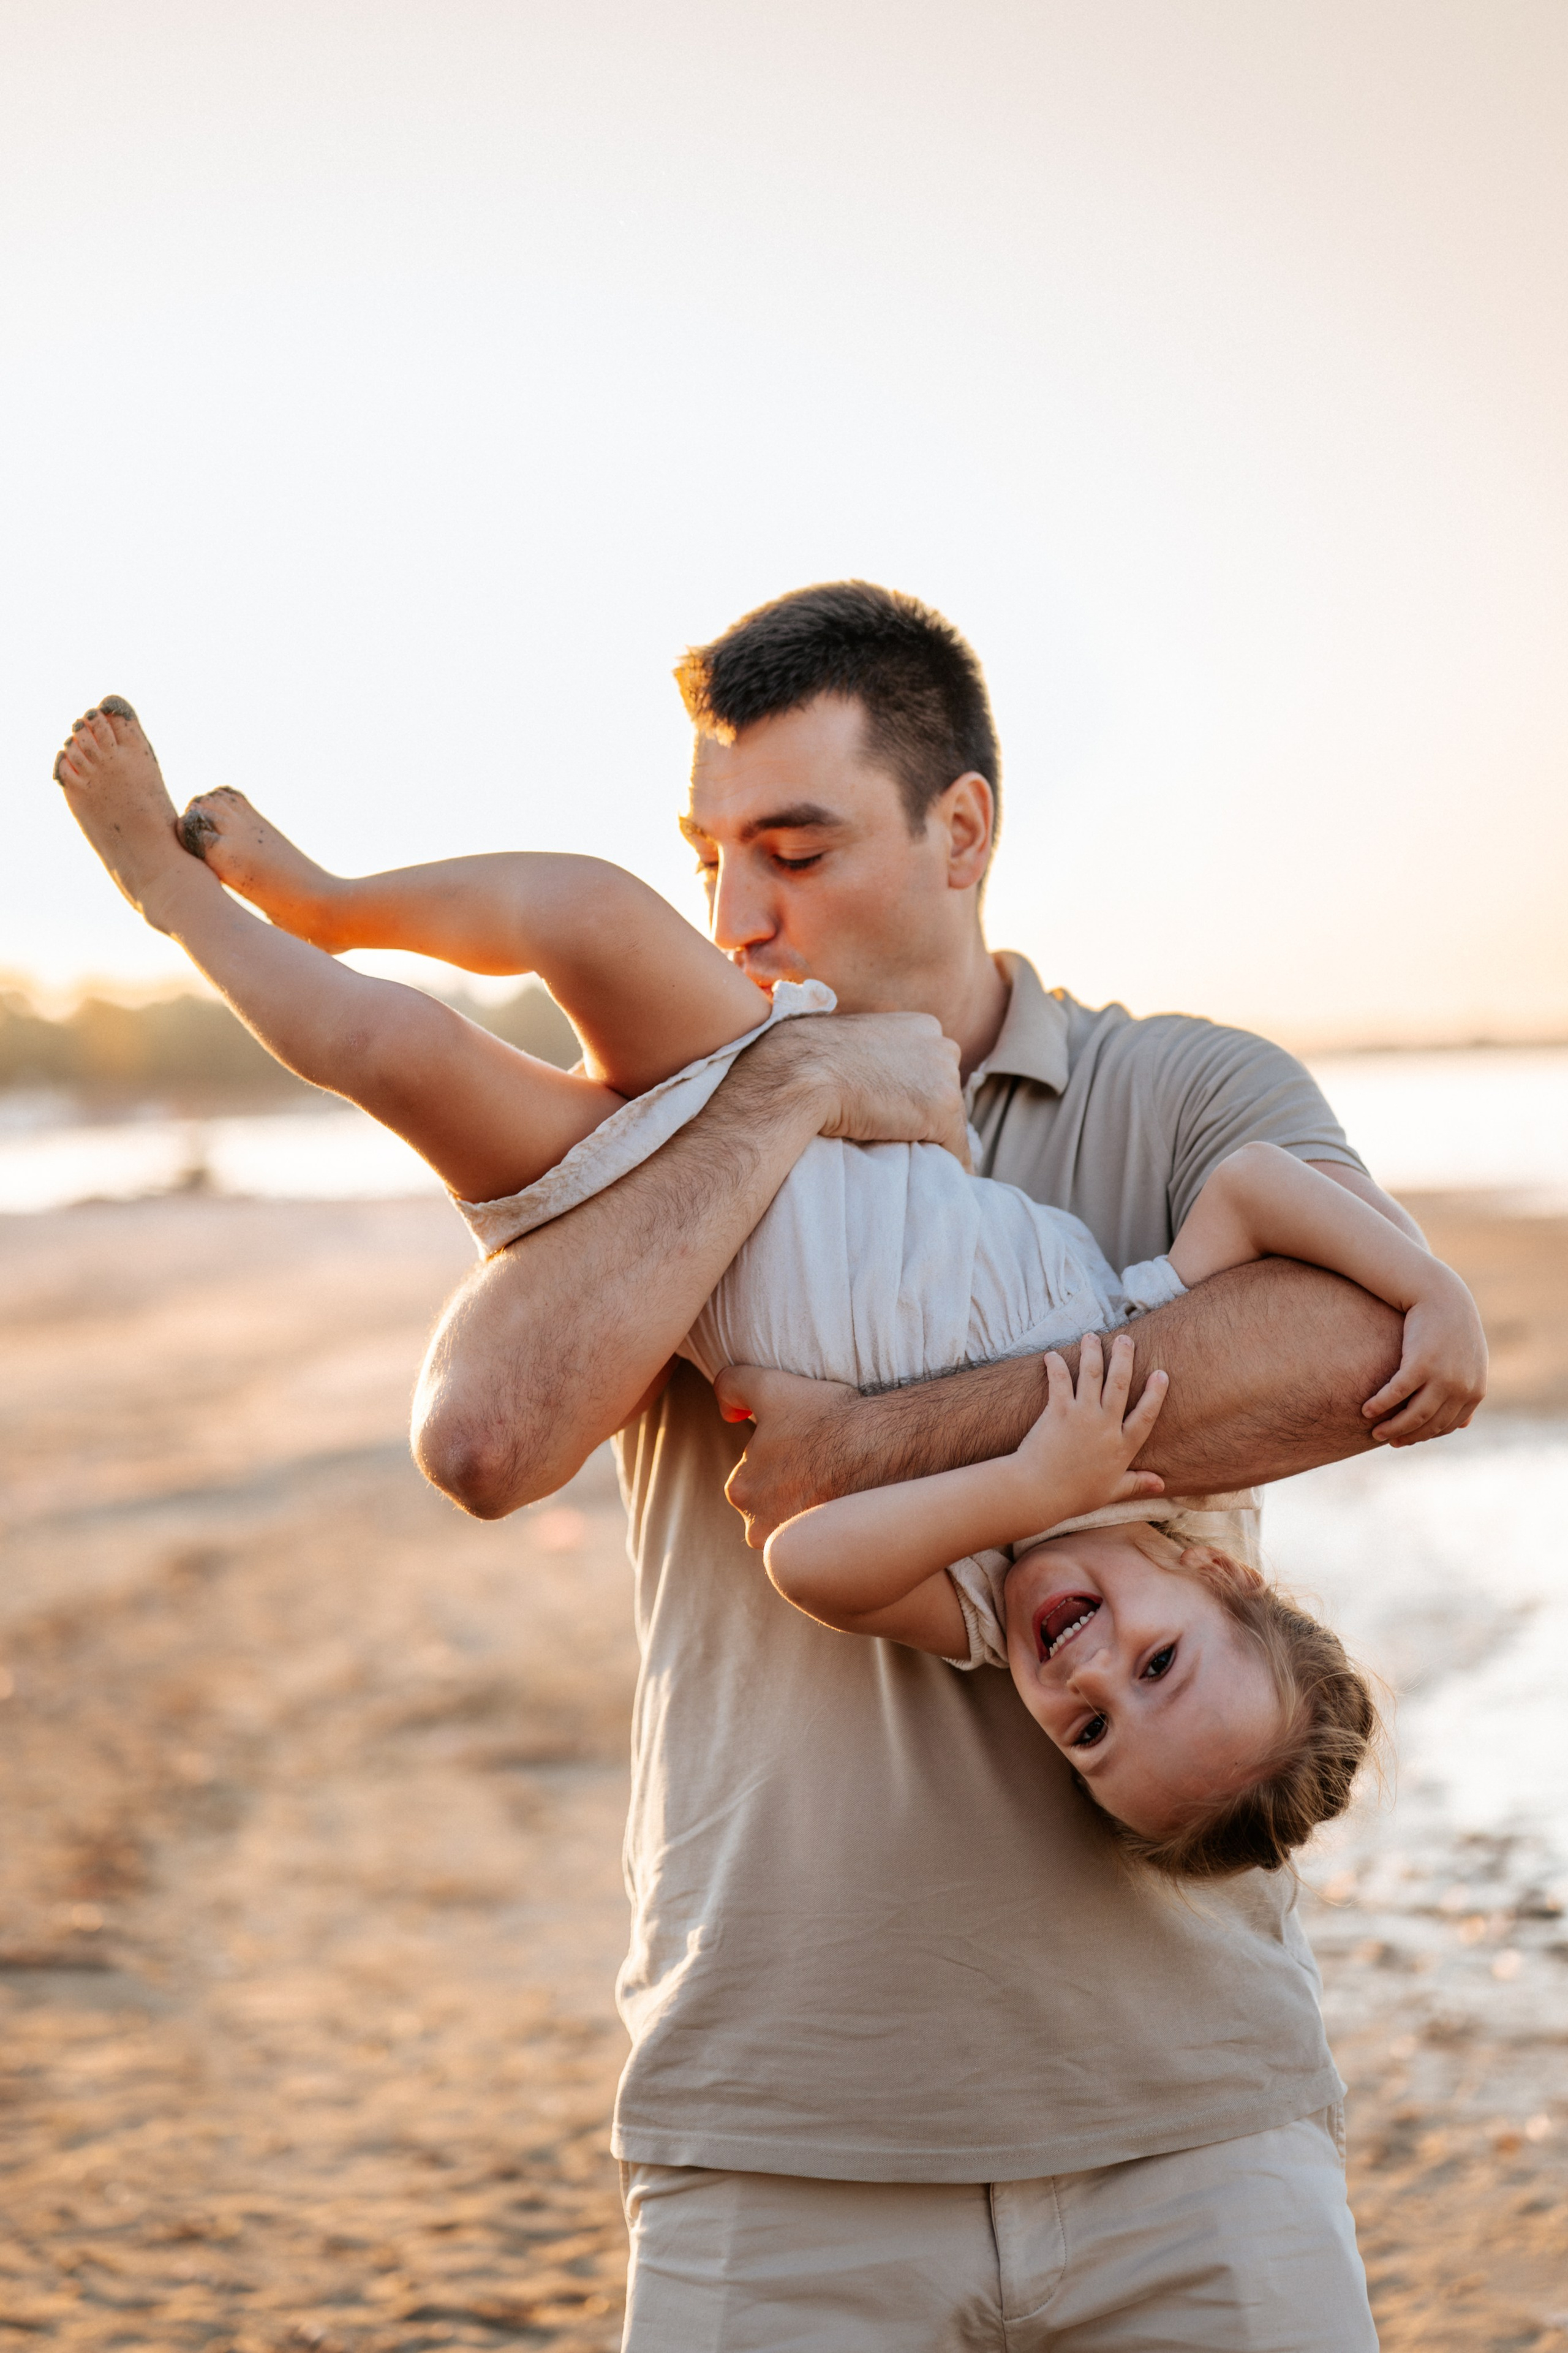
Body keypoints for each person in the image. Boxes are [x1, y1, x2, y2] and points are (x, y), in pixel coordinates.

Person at [50, 584, 1461, 2345]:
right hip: (777, 2133)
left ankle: (219, 901)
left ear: (962, 830)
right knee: (505, 971)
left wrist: (874, 1445)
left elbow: (1349, 1353)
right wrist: (789, 1093)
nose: (738, 910)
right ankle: (253, 897)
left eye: (794, 852)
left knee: (416, 1039)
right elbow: (485, 1436)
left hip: (1191, 2128)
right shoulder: (705, 1089)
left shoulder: (1176, 1090)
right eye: (714, 854)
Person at [55, 692, 1476, 1882]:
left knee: (400, 1056)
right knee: (593, 909)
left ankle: (169, 897)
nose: (1090, 1672)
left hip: (654, 1218)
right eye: (1155, 1664)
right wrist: (1429, 1287)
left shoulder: (977, 1597)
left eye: (1089, 1732)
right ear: (1215, 1573)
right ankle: (328, 901)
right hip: (760, 1099)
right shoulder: (1126, 1338)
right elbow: (1254, 1192)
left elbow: (806, 1559)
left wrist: (1023, 1484)